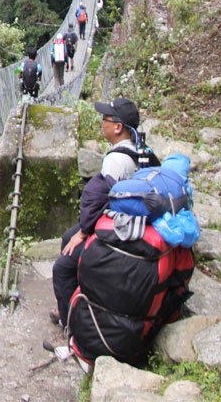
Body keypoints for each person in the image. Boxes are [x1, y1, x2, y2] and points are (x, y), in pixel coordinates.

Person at [50, 97, 141, 328]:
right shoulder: (137, 150)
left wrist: (84, 231)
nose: (102, 123)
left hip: (115, 232)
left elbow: (102, 198)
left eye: (105, 119)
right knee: (67, 237)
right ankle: (68, 302)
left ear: (118, 127)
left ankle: (72, 325)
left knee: (61, 268)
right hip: (124, 222)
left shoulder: (116, 160)